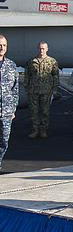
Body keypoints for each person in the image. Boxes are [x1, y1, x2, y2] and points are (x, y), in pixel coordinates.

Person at [23, 41, 59, 139]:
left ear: (47, 49)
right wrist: (26, 88)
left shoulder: (52, 62)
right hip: (33, 91)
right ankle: (35, 130)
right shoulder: (31, 62)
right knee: (34, 112)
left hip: (46, 91)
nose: (41, 50)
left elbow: (55, 76)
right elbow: (27, 76)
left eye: (43, 48)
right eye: (40, 48)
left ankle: (43, 130)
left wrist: (54, 89)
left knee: (45, 111)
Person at [0, 34, 19, 173]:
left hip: (6, 112)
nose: (2, 48)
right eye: (0, 45)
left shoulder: (11, 65)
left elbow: (15, 89)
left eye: (4, 45)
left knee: (4, 142)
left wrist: (13, 109)